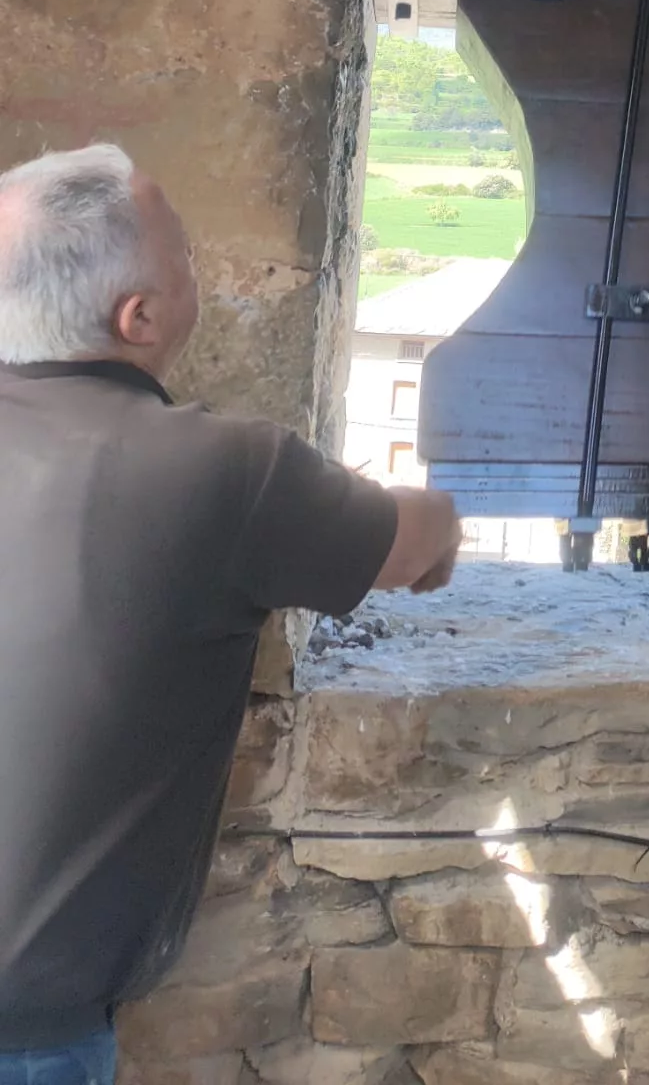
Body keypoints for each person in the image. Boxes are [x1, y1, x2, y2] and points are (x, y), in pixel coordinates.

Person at [0, 144, 462, 1084]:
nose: (200, 265)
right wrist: (441, 517)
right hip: (30, 1031)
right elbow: (415, 545)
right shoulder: (225, 470)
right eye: (185, 252)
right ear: (139, 316)